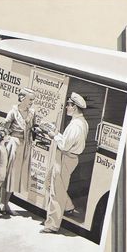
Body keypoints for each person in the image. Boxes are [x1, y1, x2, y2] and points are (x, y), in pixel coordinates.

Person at [41, 93, 88, 234]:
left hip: (66, 157)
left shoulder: (76, 125)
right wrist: (57, 133)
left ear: (74, 107)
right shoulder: (80, 122)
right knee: (50, 183)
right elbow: (68, 141)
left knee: (56, 193)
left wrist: (53, 135)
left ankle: (52, 225)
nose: (67, 107)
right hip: (66, 157)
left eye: (69, 105)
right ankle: (68, 207)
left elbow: (65, 145)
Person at [0, 88, 36, 217]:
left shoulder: (32, 113)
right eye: (30, 99)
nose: (32, 102)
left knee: (15, 177)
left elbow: (33, 129)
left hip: (25, 146)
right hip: (13, 145)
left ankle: (6, 203)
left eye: (33, 99)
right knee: (8, 174)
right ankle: (2, 203)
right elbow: (4, 130)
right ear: (22, 98)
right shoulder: (13, 112)